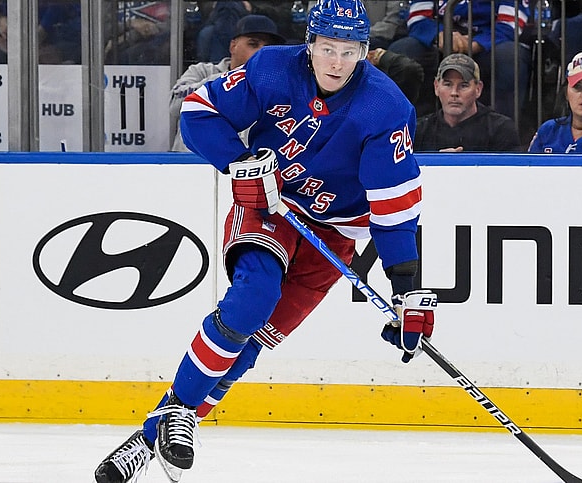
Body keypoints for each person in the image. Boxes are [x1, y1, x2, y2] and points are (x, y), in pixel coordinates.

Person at [94, 1, 435, 482]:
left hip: (337, 230)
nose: (337, 62)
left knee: (252, 344)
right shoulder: (272, 69)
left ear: (364, 51)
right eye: (328, 48)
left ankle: (157, 432)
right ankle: (178, 415)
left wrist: (406, 292)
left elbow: (395, 210)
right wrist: (240, 164)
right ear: (310, 44)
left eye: (349, 51)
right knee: (252, 299)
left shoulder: (385, 107)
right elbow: (200, 111)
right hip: (271, 204)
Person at [388, 0, 531, 119]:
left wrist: (476, 44)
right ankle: (409, 128)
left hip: (487, 41)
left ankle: (501, 131)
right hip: (439, 38)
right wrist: (440, 35)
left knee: (510, 57)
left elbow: (510, 23)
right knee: (403, 51)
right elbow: (418, 17)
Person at [169, 14, 285, 152]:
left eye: (268, 47)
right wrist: (228, 81)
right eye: (253, 44)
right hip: (186, 161)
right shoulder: (202, 71)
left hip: (244, 161)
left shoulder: (276, 87)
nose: (261, 51)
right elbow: (174, 107)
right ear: (233, 46)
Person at [415, 53, 521, 152]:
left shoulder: (500, 130)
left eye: (463, 86)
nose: (454, 93)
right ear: (436, 87)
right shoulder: (418, 130)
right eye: (448, 84)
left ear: (478, 89)